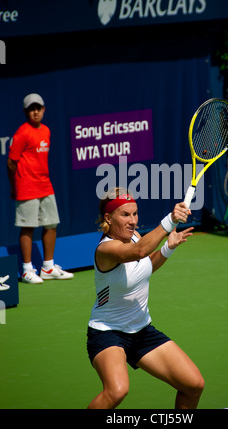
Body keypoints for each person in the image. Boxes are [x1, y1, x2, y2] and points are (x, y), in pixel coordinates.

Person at [87, 187, 205, 409]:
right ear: (108, 218)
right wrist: (170, 220)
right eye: (125, 215)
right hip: (107, 333)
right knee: (116, 391)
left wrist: (168, 249)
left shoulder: (134, 237)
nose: (132, 221)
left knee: (194, 384)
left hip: (141, 330)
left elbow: (145, 266)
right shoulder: (105, 250)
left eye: (135, 213)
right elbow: (139, 252)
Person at [7, 93, 73, 284]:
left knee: (51, 224)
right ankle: (27, 270)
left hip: (45, 184)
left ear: (43, 110)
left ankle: (48, 267)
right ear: (26, 112)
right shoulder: (22, 133)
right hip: (26, 185)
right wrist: (15, 186)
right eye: (31, 109)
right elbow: (11, 163)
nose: (35, 112)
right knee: (28, 227)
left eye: (38, 108)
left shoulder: (46, 131)